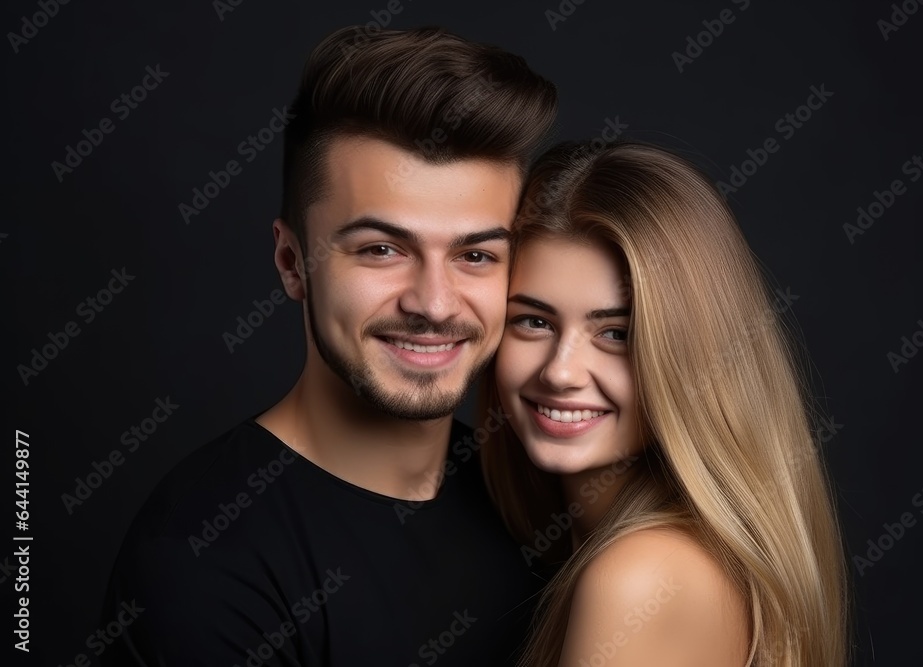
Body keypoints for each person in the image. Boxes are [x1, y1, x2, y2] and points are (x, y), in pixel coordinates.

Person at [99, 25, 557, 665]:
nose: (434, 302)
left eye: (475, 255)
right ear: (292, 262)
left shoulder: (534, 491)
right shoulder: (202, 561)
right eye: (381, 250)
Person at [482, 141, 849, 666]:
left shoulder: (638, 576)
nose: (559, 371)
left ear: (694, 356)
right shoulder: (667, 554)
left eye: (616, 333)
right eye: (533, 321)